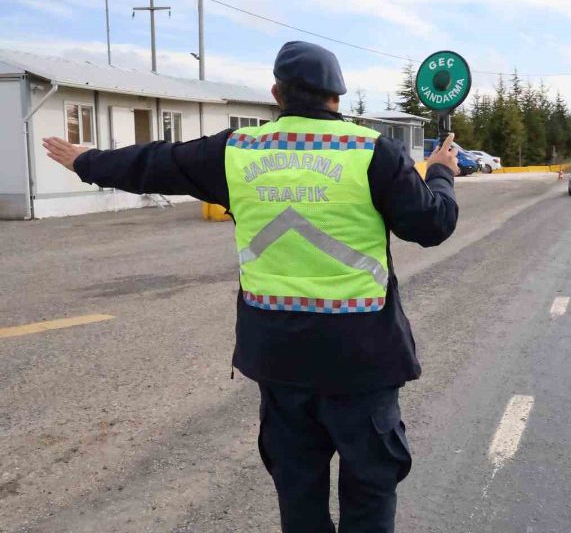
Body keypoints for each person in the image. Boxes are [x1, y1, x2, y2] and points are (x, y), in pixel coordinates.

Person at [43, 40, 459, 533]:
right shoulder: (371, 152)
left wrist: (87, 161)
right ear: (337, 97)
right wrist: (441, 175)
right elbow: (431, 226)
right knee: (369, 489)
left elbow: (155, 161)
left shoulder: (235, 151)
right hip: (362, 360)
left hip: (279, 359)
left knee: (298, 491)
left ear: (276, 94)